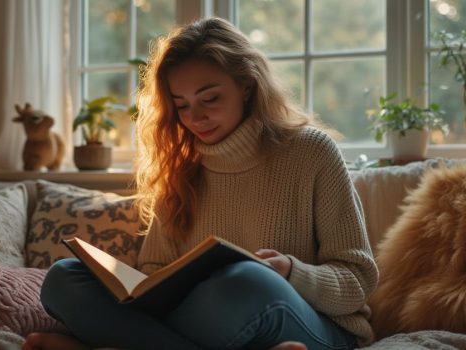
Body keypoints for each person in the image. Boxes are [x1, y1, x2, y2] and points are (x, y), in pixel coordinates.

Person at [23, 17, 378, 350]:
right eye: (181, 105)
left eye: (210, 98)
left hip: (311, 324)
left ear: (247, 87)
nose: (196, 118)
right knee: (64, 279)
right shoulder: (180, 165)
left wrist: (289, 270)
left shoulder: (311, 152)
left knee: (245, 283)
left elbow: (357, 283)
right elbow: (152, 273)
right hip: (210, 326)